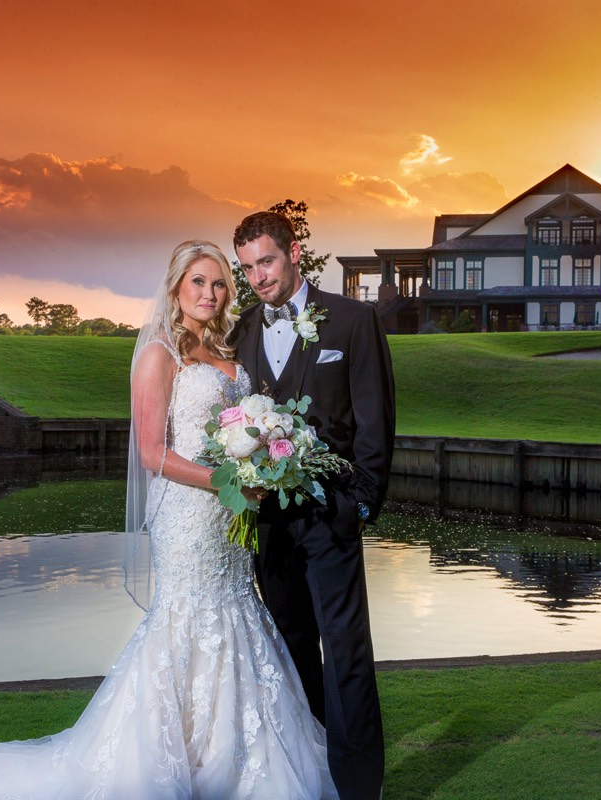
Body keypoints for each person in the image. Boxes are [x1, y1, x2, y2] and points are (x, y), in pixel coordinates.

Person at [0, 240, 337, 799]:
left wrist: (261, 464)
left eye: (219, 284)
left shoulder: (227, 351)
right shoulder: (158, 355)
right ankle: (166, 763)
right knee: (188, 623)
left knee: (237, 612)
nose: (210, 294)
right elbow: (153, 453)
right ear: (175, 286)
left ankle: (232, 760)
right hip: (190, 520)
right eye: (198, 281)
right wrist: (233, 480)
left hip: (231, 522)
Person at [231, 211, 396, 800]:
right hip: (269, 525)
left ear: (294, 252)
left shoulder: (353, 320)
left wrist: (361, 505)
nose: (258, 277)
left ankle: (357, 788)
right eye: (248, 267)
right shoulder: (241, 331)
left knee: (346, 650)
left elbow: (375, 418)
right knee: (290, 645)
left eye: (266, 262)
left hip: (333, 516)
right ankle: (309, 776)